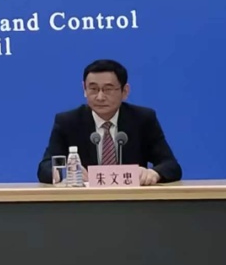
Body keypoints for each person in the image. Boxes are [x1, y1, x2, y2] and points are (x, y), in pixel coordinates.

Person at [37, 59, 182, 186]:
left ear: (125, 91)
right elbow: (45, 168)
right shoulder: (68, 122)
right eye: (93, 89)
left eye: (108, 89)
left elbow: (171, 165)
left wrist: (153, 173)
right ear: (84, 89)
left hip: (132, 201)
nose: (100, 97)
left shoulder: (142, 119)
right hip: (84, 201)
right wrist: (64, 173)